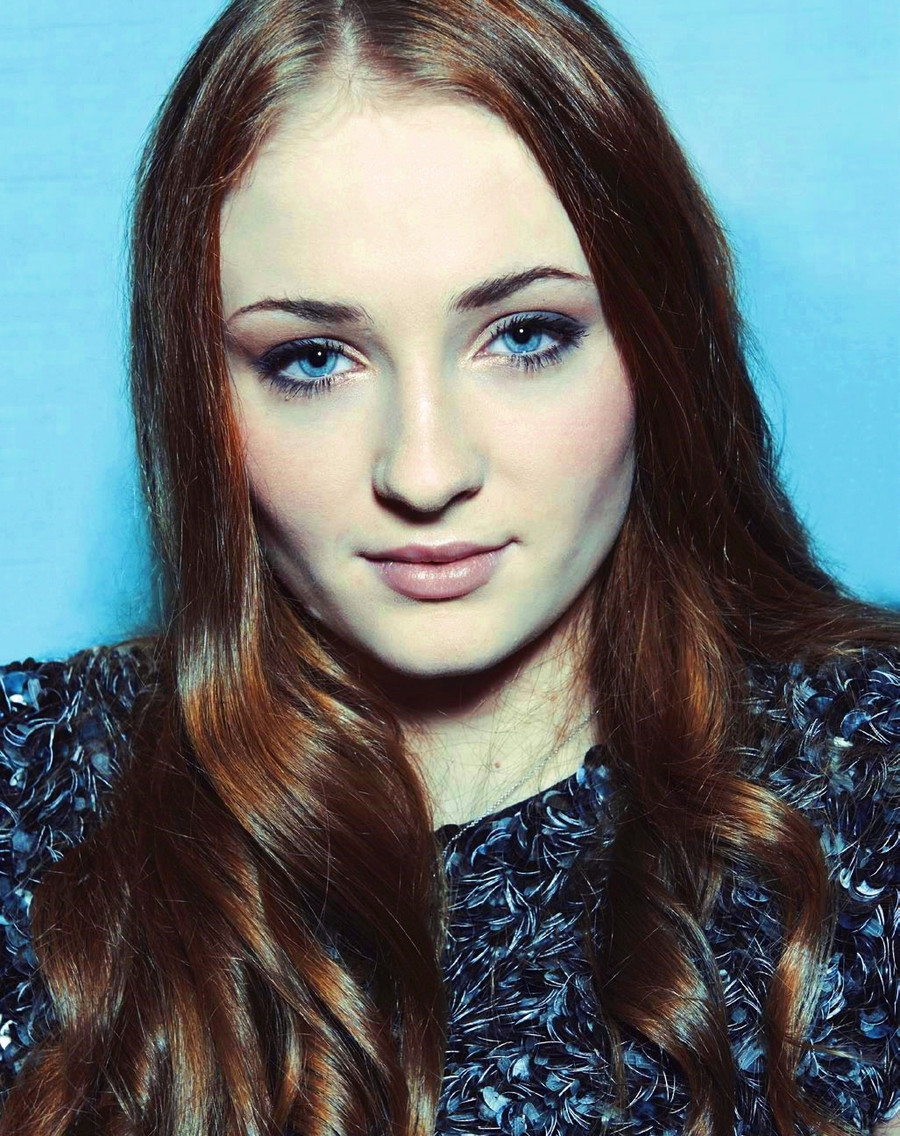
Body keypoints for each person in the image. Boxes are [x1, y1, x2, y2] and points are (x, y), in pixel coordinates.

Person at [0, 0, 898, 1133]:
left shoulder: (872, 782)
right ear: (198, 396)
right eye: (312, 359)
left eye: (525, 335)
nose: (424, 471)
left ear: (659, 342)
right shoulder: (29, 798)